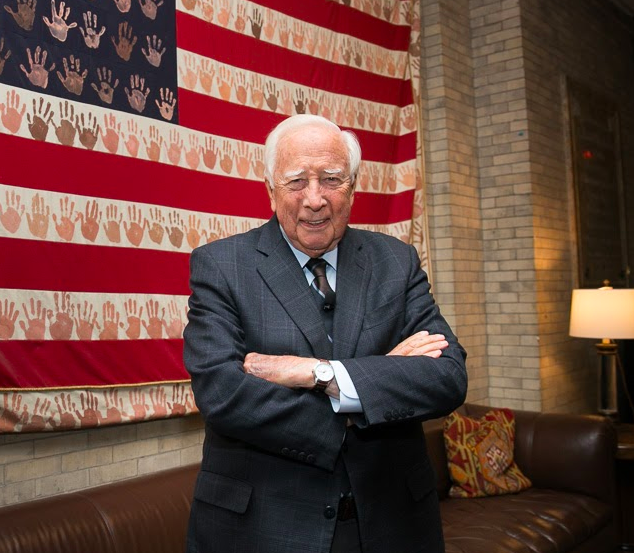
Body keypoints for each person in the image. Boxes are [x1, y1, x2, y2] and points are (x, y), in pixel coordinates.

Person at [183, 114, 467, 553]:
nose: (314, 199)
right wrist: (374, 387)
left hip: (394, 524)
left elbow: (447, 377)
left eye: (332, 179)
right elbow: (222, 393)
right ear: (270, 188)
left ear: (353, 186)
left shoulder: (396, 262)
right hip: (263, 530)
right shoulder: (222, 266)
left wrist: (320, 375)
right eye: (296, 181)